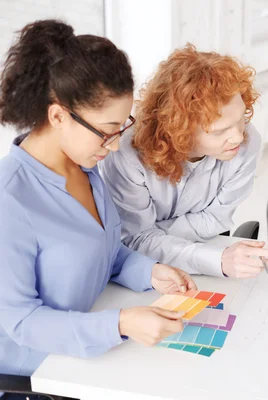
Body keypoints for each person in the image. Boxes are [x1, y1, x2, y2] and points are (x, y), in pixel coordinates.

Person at [0, 20, 196, 388]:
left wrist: (149, 271)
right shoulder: (9, 200)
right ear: (58, 115)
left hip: (88, 357)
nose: (115, 145)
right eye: (107, 132)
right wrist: (120, 323)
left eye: (121, 129)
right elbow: (21, 321)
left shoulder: (85, 167)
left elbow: (103, 251)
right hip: (36, 375)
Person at [100, 45, 268, 279]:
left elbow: (215, 220)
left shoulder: (247, 141)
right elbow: (134, 240)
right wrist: (216, 260)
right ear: (179, 130)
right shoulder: (127, 153)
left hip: (206, 253)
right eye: (219, 131)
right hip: (147, 271)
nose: (237, 136)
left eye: (241, 119)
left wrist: (154, 234)